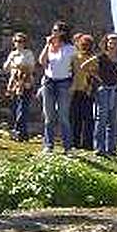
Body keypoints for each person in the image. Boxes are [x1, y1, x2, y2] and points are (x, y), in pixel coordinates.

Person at [83, 33, 117, 156]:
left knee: (113, 119)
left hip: (115, 89)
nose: (113, 45)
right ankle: (99, 148)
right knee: (101, 119)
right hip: (103, 90)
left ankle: (111, 149)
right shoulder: (101, 56)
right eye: (110, 42)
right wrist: (97, 77)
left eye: (115, 43)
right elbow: (84, 66)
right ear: (106, 43)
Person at [38, 20, 75, 153]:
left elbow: (75, 67)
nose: (53, 33)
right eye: (53, 30)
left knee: (63, 116)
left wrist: (73, 84)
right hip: (49, 82)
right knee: (49, 115)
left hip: (64, 83)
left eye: (56, 30)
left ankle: (67, 147)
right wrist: (47, 45)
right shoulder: (50, 47)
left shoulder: (70, 49)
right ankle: (48, 145)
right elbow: (42, 61)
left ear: (62, 33)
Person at [2, 32, 35, 141]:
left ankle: (19, 131)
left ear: (25, 43)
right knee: (15, 107)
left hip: (25, 83)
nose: (18, 44)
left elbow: (30, 67)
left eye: (20, 41)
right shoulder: (13, 54)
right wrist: (12, 60)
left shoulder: (28, 53)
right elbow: (6, 68)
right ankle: (21, 133)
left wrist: (18, 66)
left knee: (23, 108)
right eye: (16, 41)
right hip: (14, 84)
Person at [70, 33, 97, 150]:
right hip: (75, 90)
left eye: (87, 45)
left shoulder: (93, 59)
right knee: (75, 118)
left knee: (88, 119)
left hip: (87, 91)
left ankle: (87, 144)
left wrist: (90, 87)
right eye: (83, 44)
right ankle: (74, 142)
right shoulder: (75, 57)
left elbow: (94, 75)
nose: (85, 47)